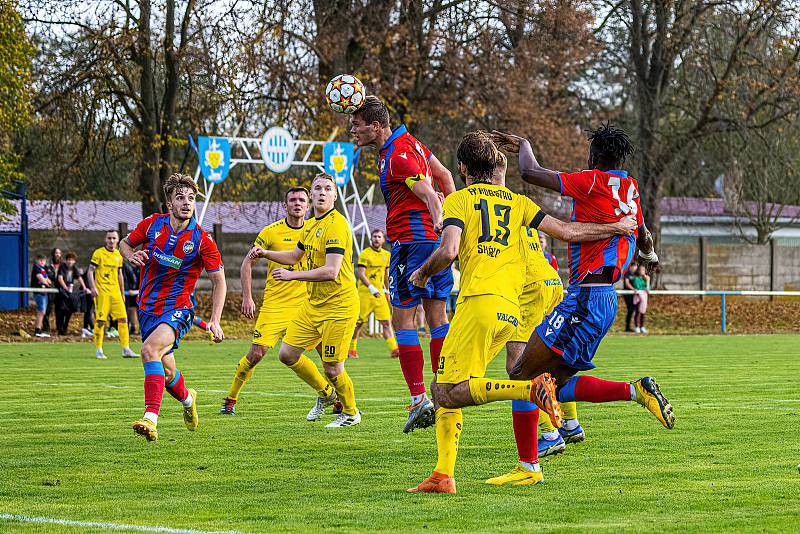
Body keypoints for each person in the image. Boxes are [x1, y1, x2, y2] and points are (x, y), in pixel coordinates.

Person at [407, 132, 637, 493]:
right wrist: (617, 227)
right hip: (511, 308)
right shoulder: (518, 202)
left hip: (478, 302)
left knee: (446, 392)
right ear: (497, 166)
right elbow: (568, 232)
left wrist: (421, 272)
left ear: (464, 168)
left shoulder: (459, 200)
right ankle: (442, 476)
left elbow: (449, 251)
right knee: (451, 385)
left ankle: (530, 391)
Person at [490, 125, 674, 480]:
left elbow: (530, 172)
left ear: (594, 157)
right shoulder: (631, 187)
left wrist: (525, 144)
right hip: (602, 299)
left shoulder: (591, 182)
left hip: (585, 298)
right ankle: (634, 392)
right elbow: (643, 232)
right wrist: (648, 255)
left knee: (521, 375)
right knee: (549, 381)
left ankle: (529, 465)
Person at [350, 95, 457, 432]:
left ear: (376, 126)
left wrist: (441, 221)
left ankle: (417, 398)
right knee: (438, 318)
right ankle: (442, 395)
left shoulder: (396, 157)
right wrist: (449, 227)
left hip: (411, 242)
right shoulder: (411, 143)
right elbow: (446, 178)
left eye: (356, 125)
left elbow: (427, 192)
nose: (352, 131)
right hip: (431, 242)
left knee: (403, 321)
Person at [248, 173, 361, 428]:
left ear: (334, 195)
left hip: (339, 306)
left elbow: (331, 271)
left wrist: (292, 276)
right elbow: (294, 255)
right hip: (314, 305)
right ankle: (325, 393)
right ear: (312, 195)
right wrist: (266, 253)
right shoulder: (310, 225)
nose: (322, 192)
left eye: (327, 189)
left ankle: (352, 413)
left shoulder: (337, 225)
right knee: (287, 354)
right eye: (318, 188)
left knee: (333, 367)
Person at [120, 173, 226, 442]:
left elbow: (219, 282)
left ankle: (150, 419)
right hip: (147, 309)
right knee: (167, 372)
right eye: (180, 198)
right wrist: (131, 255)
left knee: (148, 350)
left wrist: (215, 320)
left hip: (178, 309)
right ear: (169, 203)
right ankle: (189, 399)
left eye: (191, 198)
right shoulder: (152, 225)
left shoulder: (203, 240)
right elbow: (124, 244)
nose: (187, 203)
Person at [220, 187, 310, 415]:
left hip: (305, 305)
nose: (297, 203)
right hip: (275, 304)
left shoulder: (315, 231)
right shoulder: (270, 232)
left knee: (325, 353)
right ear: (285, 205)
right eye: (293, 200)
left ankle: (333, 397)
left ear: (308, 205)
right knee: (256, 354)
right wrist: (248, 296)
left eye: (302, 200)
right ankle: (230, 398)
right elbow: (246, 263)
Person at [88, 230, 138, 359]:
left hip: (115, 292)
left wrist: (122, 292)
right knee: (100, 321)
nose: (111, 240)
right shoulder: (98, 253)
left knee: (123, 319)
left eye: (114, 238)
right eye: (109, 238)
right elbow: (90, 271)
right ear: (106, 239)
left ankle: (126, 349)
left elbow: (120, 275)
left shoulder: (118, 255)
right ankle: (99, 349)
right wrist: (93, 287)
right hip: (102, 292)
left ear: (117, 240)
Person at [349, 228, 398, 359]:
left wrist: (388, 290)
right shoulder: (365, 253)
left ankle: (394, 349)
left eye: (379, 237)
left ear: (383, 239)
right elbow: (360, 273)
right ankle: (351, 349)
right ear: (371, 239)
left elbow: (386, 275)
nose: (376, 239)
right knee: (358, 323)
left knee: (386, 322)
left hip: (380, 294)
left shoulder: (386, 255)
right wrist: (371, 288)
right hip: (365, 293)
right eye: (374, 236)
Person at [55, 252, 87, 335]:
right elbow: (60, 278)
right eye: (69, 260)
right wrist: (65, 287)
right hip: (61, 291)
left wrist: (84, 287)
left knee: (70, 310)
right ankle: (60, 329)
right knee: (60, 311)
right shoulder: (62, 267)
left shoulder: (74, 268)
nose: (70, 262)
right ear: (66, 260)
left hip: (69, 291)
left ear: (74, 261)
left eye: (72, 260)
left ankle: (65, 327)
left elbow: (79, 278)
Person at [30, 254, 52, 338]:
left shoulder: (42, 269)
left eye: (44, 260)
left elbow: (48, 280)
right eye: (41, 260)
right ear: (37, 260)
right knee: (41, 311)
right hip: (39, 293)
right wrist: (46, 283)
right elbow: (42, 280)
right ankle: (37, 330)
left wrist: (47, 282)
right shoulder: (36, 268)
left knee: (42, 312)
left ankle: (39, 329)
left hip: (44, 293)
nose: (42, 262)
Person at [43, 247, 62, 335]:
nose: (58, 255)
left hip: (60, 291)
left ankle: (59, 329)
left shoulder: (63, 266)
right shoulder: (47, 266)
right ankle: (46, 329)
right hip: (50, 291)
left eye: (59, 253)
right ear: (53, 254)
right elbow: (44, 276)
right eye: (56, 253)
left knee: (59, 311)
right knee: (47, 310)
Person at [122, 258, 140, 334]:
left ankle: (136, 328)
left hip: (137, 292)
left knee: (136, 310)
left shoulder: (141, 268)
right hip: (129, 292)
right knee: (130, 309)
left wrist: (137, 291)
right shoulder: (127, 266)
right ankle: (132, 327)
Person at [632, 264, 650, 334]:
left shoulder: (645, 279)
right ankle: (637, 327)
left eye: (643, 270)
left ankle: (642, 326)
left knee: (643, 312)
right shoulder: (636, 278)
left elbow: (648, 289)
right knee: (637, 312)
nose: (642, 271)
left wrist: (648, 281)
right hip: (638, 297)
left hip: (644, 298)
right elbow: (637, 287)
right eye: (641, 270)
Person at [622, 262, 639, 332]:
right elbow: (627, 283)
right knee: (630, 309)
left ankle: (634, 326)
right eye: (634, 266)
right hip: (627, 294)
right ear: (631, 266)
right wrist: (633, 289)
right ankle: (627, 327)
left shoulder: (636, 274)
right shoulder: (627, 273)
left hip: (634, 295)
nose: (635, 268)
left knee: (633, 310)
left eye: (636, 266)